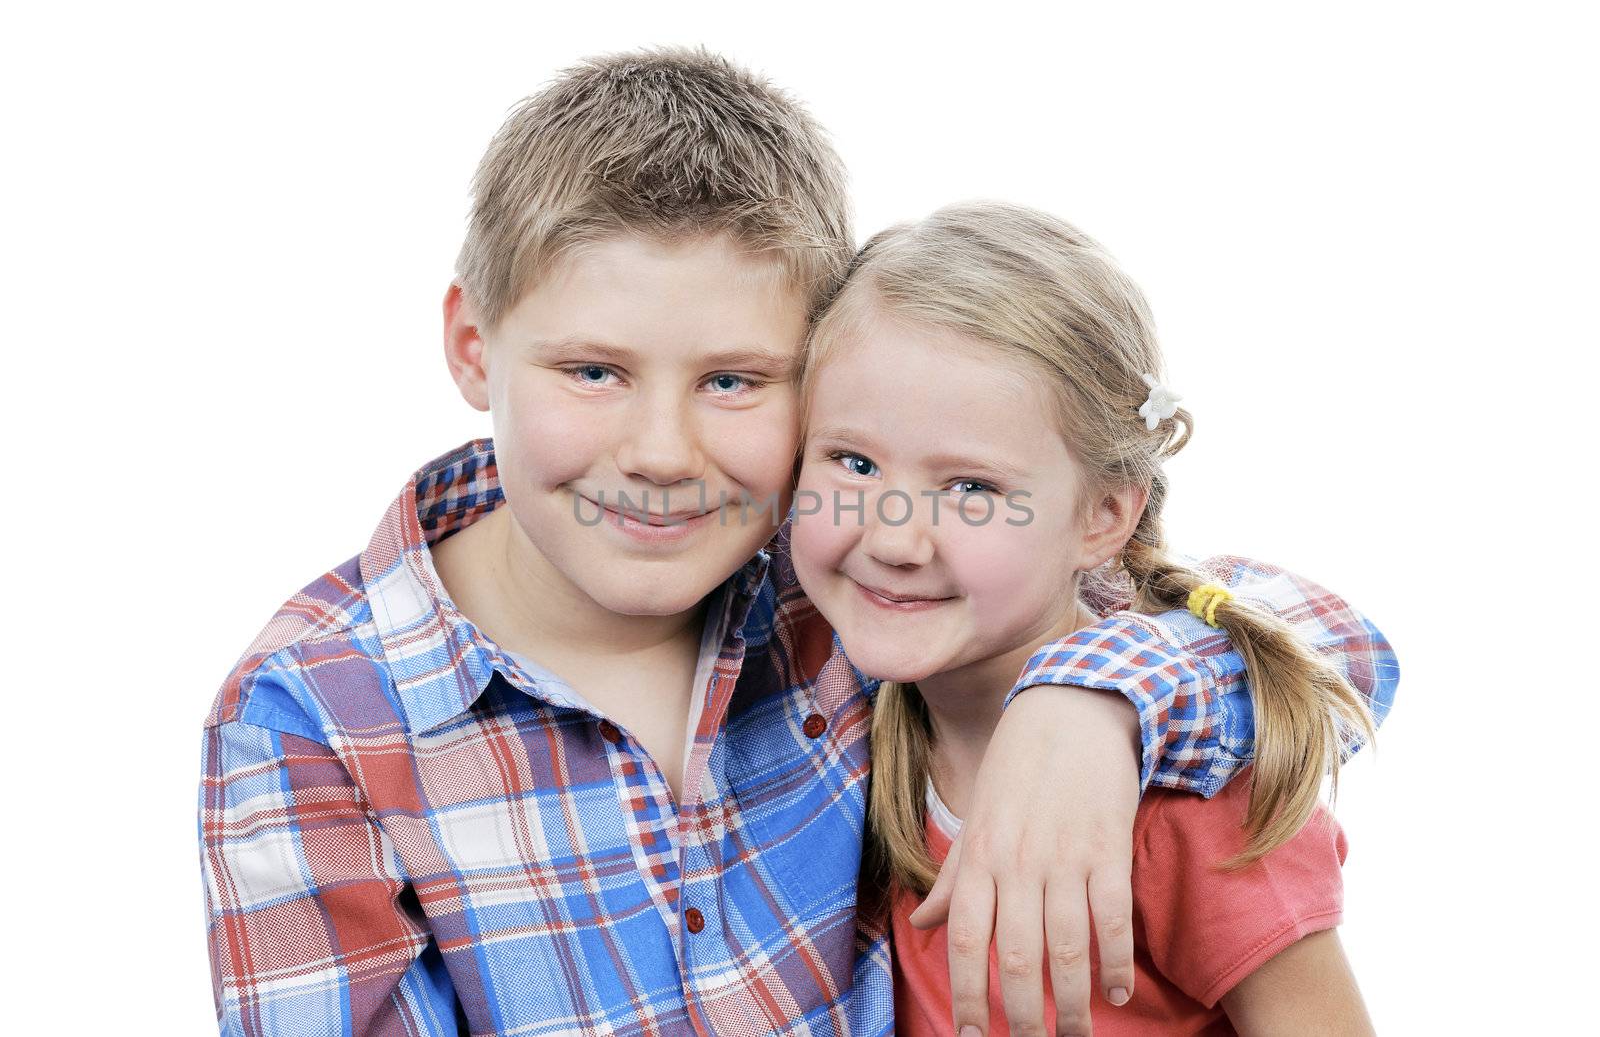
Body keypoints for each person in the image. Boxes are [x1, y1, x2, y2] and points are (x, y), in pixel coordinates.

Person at [198, 51, 1396, 1036]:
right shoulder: (309, 718)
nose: (662, 451)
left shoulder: (835, 582)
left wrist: (1089, 701)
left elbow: (1328, 639)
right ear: (472, 343)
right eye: (592, 369)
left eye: (734, 379)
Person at [790, 201, 1393, 1036]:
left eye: (972, 488)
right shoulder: (846, 730)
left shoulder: (1189, 798)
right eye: (854, 462)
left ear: (1103, 516)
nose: (893, 537)